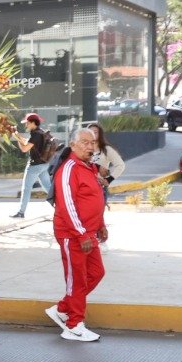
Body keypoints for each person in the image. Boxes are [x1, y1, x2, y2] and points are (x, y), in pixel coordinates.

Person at [47, 129, 108, 342]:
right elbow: (66, 205)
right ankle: (73, 325)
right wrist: (81, 234)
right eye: (84, 142)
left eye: (92, 143)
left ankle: (63, 309)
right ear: (72, 145)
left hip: (88, 232)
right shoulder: (68, 169)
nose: (90, 147)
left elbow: (94, 198)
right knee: (77, 280)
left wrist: (100, 225)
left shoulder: (89, 167)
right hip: (72, 234)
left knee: (96, 272)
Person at [13, 113, 56, 217]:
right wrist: (17, 135)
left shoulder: (36, 135)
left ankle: (21, 212)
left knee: (26, 189)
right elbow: (27, 142)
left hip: (34, 166)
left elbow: (24, 148)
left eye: (27, 123)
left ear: (33, 123)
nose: (26, 125)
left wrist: (16, 138)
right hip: (43, 165)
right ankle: (62, 208)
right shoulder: (40, 133)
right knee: (48, 188)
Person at [86, 123, 124, 189]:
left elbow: (120, 165)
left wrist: (109, 179)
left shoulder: (107, 149)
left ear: (100, 134)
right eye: (90, 132)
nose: (92, 134)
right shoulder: (83, 149)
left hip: (99, 188)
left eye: (95, 132)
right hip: (84, 187)